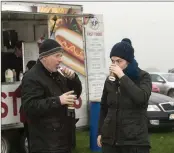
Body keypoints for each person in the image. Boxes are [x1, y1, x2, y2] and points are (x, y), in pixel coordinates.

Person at [21, 39, 82, 153]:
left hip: (63, 141)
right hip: (46, 145)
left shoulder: (58, 73)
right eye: (57, 56)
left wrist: (74, 79)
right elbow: (30, 107)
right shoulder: (31, 77)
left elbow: (74, 95)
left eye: (61, 56)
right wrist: (58, 100)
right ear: (44, 58)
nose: (60, 60)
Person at [97, 38, 152, 153]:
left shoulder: (143, 77)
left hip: (134, 142)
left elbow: (141, 98)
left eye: (119, 61)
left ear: (129, 61)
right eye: (113, 61)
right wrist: (101, 132)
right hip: (110, 141)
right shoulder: (110, 80)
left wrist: (122, 76)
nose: (115, 65)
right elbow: (104, 107)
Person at [15, 60, 36, 153]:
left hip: (27, 114)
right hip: (37, 113)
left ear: (28, 68)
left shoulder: (26, 79)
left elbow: (17, 93)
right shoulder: (40, 79)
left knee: (30, 137)